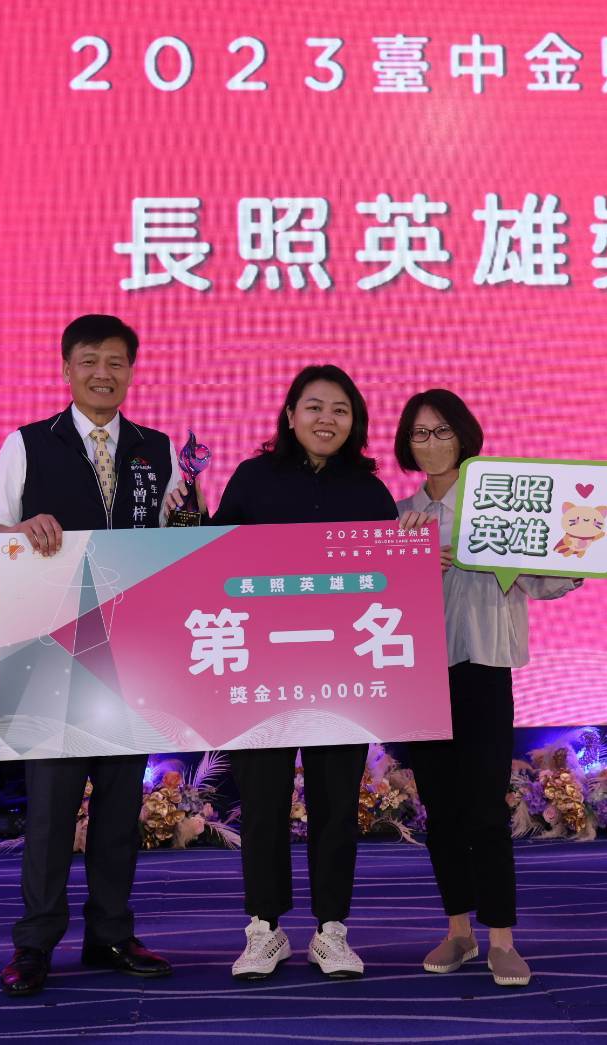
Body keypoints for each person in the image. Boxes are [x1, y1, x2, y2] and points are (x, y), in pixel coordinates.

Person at [392, 389, 607, 989]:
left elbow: (543, 580)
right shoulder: (397, 514)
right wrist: (403, 561)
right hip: (415, 672)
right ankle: (458, 930)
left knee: (484, 809)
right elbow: (367, 591)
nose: (431, 443)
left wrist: (595, 553)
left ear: (464, 436)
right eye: (419, 433)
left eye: (442, 431)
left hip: (483, 667)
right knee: (440, 812)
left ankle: (501, 936)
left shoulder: (497, 506)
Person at [0, 314, 178, 996]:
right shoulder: (28, 444)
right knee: (51, 814)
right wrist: (20, 528)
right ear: (66, 369)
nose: (102, 373)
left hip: (135, 653)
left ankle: (110, 933)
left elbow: (180, 542)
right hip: (52, 653)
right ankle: (34, 944)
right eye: (89, 361)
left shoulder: (157, 449)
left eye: (115, 362)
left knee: (120, 812)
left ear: (131, 371)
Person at [175, 364, 398, 981]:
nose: (327, 419)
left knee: (336, 805)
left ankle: (332, 930)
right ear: (291, 415)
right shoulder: (254, 478)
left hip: (341, 674)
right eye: (314, 406)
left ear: (355, 423)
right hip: (262, 672)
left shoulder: (368, 490)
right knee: (264, 804)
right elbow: (214, 558)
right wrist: (188, 517)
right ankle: (264, 928)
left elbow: (394, 579)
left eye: (340, 410)